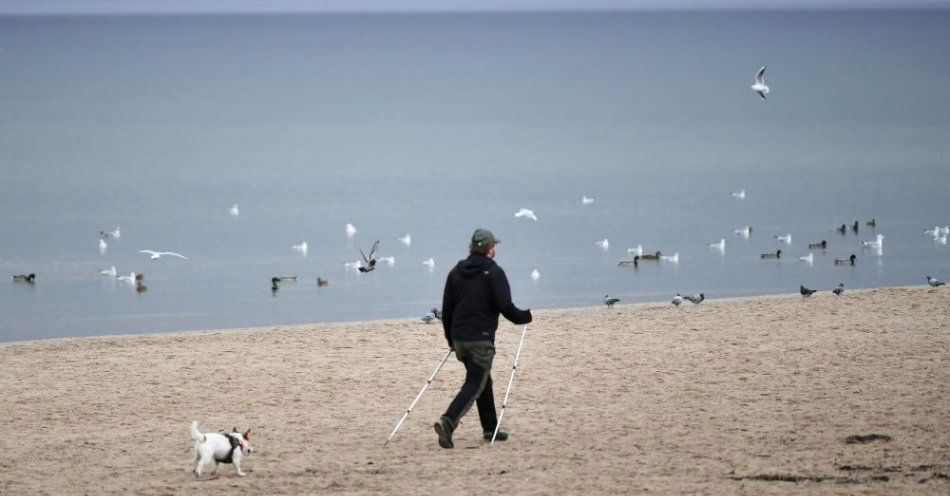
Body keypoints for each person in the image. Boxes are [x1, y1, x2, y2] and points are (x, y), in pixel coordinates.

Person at [434, 228, 532, 449]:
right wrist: (524, 317)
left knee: (483, 380)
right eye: (494, 245)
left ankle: (490, 429)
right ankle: (448, 422)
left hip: (460, 339)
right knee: (474, 383)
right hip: (480, 340)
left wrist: (451, 339)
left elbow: (447, 309)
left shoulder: (456, 271)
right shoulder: (494, 272)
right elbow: (505, 307)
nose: (495, 248)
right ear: (489, 248)